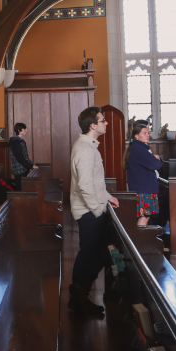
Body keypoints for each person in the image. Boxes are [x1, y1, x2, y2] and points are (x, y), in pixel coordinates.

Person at [69, 106, 119, 316]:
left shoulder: (88, 146)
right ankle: (79, 297)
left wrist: (108, 197)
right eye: (102, 120)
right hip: (89, 212)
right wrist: (99, 210)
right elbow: (85, 186)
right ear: (92, 125)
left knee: (95, 253)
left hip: (92, 208)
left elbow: (96, 183)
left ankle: (78, 296)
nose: (106, 123)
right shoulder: (85, 149)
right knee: (91, 253)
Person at [124, 121, 162, 226]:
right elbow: (156, 164)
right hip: (143, 189)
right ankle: (139, 241)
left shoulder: (139, 147)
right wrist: (157, 158)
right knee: (144, 217)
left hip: (144, 188)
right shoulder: (139, 149)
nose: (147, 135)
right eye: (144, 133)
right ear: (136, 136)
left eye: (148, 133)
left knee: (145, 217)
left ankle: (140, 240)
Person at [8, 123, 37, 190]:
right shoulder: (16, 142)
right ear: (19, 130)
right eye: (24, 129)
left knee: (22, 189)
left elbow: (25, 157)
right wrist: (31, 166)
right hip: (19, 170)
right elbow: (20, 158)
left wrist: (32, 165)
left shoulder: (19, 141)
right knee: (20, 191)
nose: (26, 130)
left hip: (22, 169)